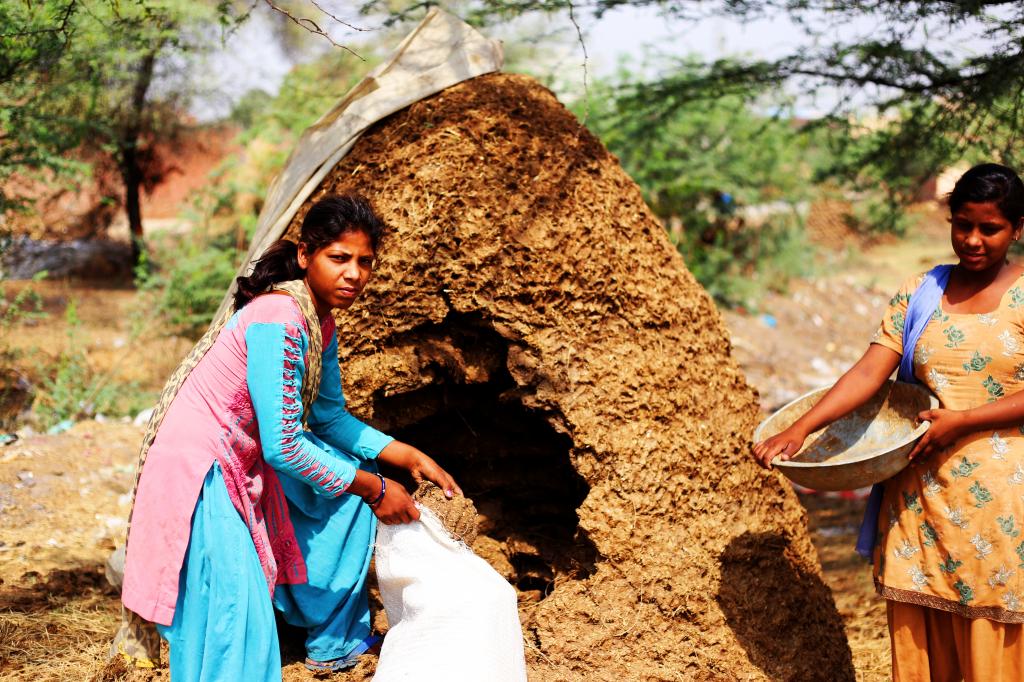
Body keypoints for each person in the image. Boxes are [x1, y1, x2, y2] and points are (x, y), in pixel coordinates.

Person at [118, 194, 461, 680]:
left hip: (241, 466)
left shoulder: (318, 322)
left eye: (365, 262)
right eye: (338, 258)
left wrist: (405, 456)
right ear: (305, 256)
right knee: (233, 630)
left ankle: (333, 641)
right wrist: (377, 488)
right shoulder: (279, 317)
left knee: (346, 498)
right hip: (202, 473)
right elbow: (284, 445)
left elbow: (329, 420)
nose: (354, 274)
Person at [753, 163, 1024, 680]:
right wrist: (799, 429)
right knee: (923, 629)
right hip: (920, 496)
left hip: (1000, 501)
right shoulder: (921, 290)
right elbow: (870, 371)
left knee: (996, 628)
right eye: (961, 224)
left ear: (1017, 229)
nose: (971, 240)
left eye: (989, 228)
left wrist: (964, 420)